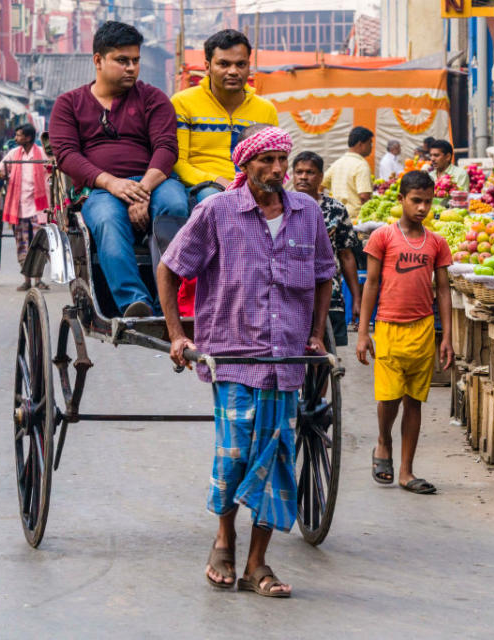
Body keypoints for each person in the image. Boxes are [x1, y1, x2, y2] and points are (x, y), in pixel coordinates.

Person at [157, 125, 335, 598]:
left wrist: (316, 334)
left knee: (276, 458)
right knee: (233, 455)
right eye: (267, 161)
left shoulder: (307, 214)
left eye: (283, 160)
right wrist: (177, 334)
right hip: (232, 359)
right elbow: (170, 268)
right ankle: (224, 539)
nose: (278, 170)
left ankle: (258, 563)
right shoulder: (216, 211)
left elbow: (323, 276)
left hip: (286, 360)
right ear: (246, 165)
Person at [48, 21, 188, 318]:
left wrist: (142, 191)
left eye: (135, 61)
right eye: (122, 60)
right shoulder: (68, 104)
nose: (131, 68)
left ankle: (174, 298)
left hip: (155, 182)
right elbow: (67, 155)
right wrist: (112, 184)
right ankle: (134, 301)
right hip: (99, 188)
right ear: (98, 60)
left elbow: (166, 149)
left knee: (176, 204)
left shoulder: (153, 98)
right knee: (107, 219)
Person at [356, 170, 454, 494]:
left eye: (428, 201)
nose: (423, 208)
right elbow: (371, 284)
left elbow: (443, 290)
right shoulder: (382, 237)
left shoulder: (436, 243)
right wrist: (362, 332)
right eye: (416, 201)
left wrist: (448, 337)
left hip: (423, 329)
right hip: (387, 326)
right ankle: (383, 441)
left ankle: (407, 471)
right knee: (389, 397)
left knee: (414, 400)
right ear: (401, 200)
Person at [171, 29, 278, 200]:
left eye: (241, 64)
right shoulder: (183, 103)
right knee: (215, 198)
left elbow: (272, 162)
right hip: (202, 189)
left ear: (249, 67)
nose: (233, 71)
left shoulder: (266, 109)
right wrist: (217, 180)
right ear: (208, 67)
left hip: (252, 189)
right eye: (224, 64)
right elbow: (178, 162)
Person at [292, 150, 362, 346]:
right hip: (291, 296)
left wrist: (357, 298)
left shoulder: (335, 209)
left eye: (310, 172)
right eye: (299, 172)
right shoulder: (281, 206)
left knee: (325, 358)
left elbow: (346, 255)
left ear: (321, 176)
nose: (303, 177)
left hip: (330, 295)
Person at [0, 123, 50, 291]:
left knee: (38, 244)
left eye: (19, 135)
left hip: (38, 208)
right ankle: (27, 280)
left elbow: (52, 169)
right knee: (22, 244)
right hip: (18, 207)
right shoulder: (13, 154)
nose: (16, 138)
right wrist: (0, 174)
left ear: (28, 138)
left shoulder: (41, 153)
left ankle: (38, 280)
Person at [322, 126, 374, 221]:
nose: (371, 147)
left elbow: (320, 185)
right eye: (370, 143)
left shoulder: (337, 163)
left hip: (336, 216)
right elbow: (364, 196)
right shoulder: (361, 165)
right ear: (360, 144)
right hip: (354, 219)